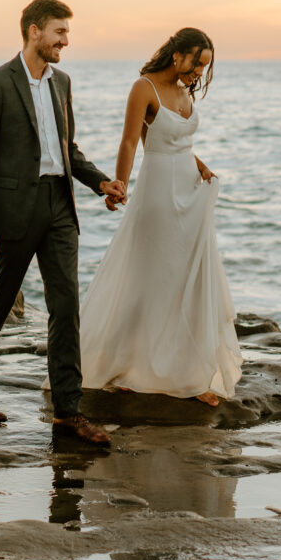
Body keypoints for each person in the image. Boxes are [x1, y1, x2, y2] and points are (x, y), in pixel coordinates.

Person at [0, 0, 125, 444]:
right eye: (59, 32)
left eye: (67, 33)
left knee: (65, 306)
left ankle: (68, 412)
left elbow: (68, 150)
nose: (65, 41)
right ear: (34, 31)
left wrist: (100, 182)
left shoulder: (62, 83)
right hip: (12, 212)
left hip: (59, 207)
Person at [77, 28, 242, 406]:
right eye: (197, 63)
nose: (199, 72)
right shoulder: (144, 88)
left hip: (189, 189)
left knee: (187, 278)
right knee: (153, 277)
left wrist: (200, 166)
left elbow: (180, 140)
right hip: (157, 193)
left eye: (205, 66)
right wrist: (118, 183)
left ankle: (189, 372)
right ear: (177, 55)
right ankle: (128, 365)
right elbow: (131, 141)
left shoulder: (185, 91)